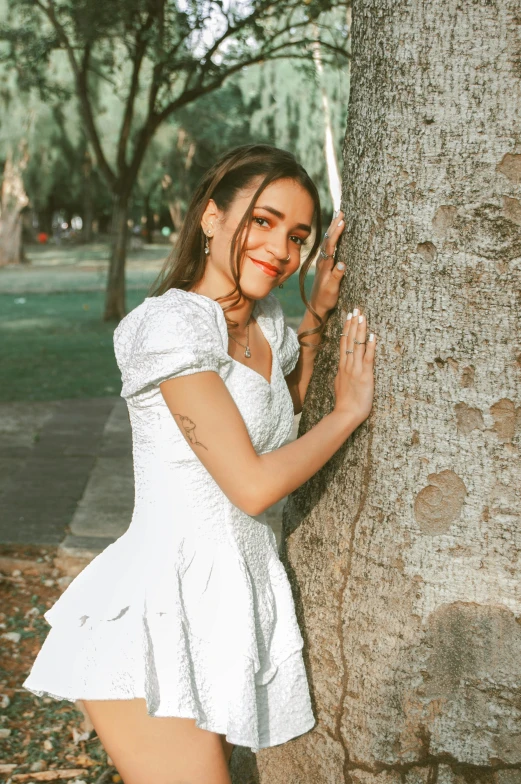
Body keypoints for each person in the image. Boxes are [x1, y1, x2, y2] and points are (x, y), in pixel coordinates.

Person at [22, 144, 376, 784]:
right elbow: (251, 483)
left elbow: (277, 417)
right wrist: (346, 414)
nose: (281, 249)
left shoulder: (267, 323)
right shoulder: (167, 328)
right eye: (263, 222)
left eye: (297, 235)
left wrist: (317, 314)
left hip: (224, 607)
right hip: (155, 619)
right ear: (212, 218)